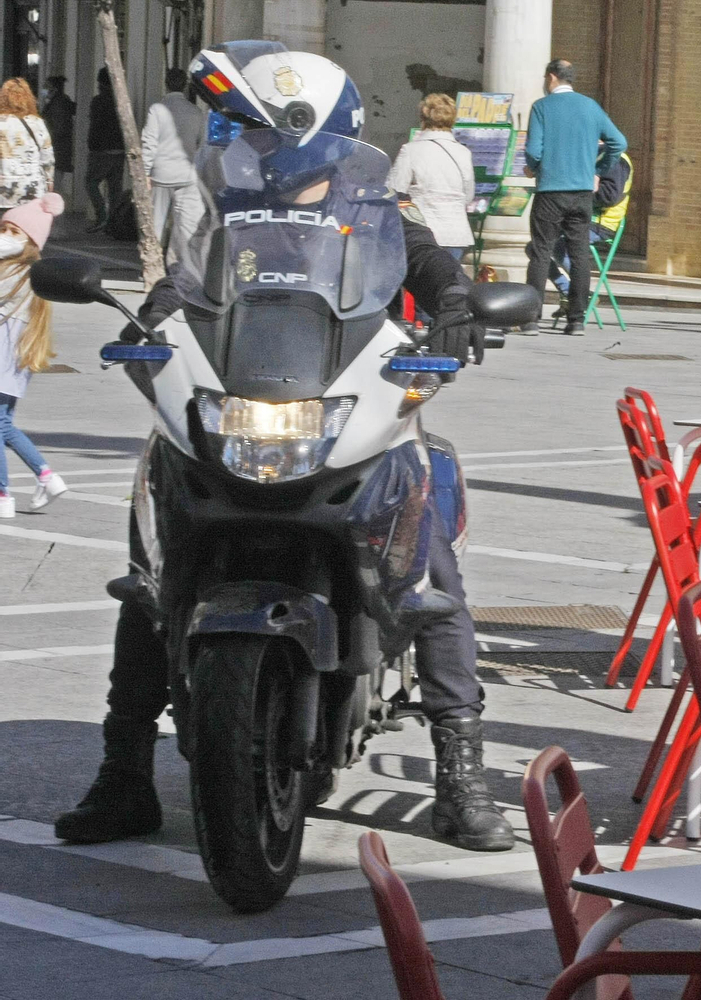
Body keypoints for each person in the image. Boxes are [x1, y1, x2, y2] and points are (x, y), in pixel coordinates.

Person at [53, 41, 509, 852]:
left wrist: (460, 308)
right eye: (248, 138)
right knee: (148, 573)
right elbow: (180, 291)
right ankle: (122, 772)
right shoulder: (225, 218)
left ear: (321, 135)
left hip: (348, 411)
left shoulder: (379, 219)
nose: (264, 156)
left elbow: (435, 269)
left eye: (268, 137)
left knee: (431, 569)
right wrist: (150, 325)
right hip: (237, 411)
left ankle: (460, 771)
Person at [521, 59, 626, 336]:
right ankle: (576, 320)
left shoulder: (542, 107)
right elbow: (619, 142)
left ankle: (531, 319)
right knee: (579, 255)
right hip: (581, 193)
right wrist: (598, 170)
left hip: (550, 192)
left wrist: (533, 168)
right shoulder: (590, 106)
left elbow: (533, 150)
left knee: (541, 252)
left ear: (552, 77)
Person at [0, 192, 69, 518]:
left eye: (14, 232)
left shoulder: (15, 273)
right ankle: (46, 476)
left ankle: (3, 495)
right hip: (13, 360)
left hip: (4, 356)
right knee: (3, 425)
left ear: (30, 240)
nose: (5, 237)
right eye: (3, 229)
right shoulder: (26, 272)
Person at [547, 144, 631, 324]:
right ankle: (572, 291)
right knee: (537, 247)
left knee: (556, 245)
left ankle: (579, 293)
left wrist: (577, 194)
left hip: (599, 224)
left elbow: (609, 197)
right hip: (578, 220)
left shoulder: (615, 159)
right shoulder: (589, 155)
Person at [388, 93, 475, 261]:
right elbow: (468, 195)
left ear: (423, 118)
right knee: (448, 283)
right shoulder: (463, 152)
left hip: (423, 233)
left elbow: (395, 190)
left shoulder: (411, 150)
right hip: (456, 234)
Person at [140, 68, 203, 262]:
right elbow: (201, 144)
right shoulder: (196, 111)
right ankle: (179, 265)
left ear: (166, 83)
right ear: (184, 85)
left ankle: (151, 266)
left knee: (155, 225)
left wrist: (145, 171)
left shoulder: (157, 109)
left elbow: (148, 142)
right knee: (186, 226)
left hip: (161, 175)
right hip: (187, 175)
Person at [0, 77, 54, 209]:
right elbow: (47, 157)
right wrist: (49, 181)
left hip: (4, 191)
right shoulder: (37, 123)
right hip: (32, 189)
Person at [85, 68, 125, 232]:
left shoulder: (98, 101)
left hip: (101, 150)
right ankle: (114, 222)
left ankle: (101, 216)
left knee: (91, 182)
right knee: (115, 188)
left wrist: (92, 144)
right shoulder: (121, 101)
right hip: (119, 149)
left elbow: (95, 125)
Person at [39, 75, 74, 183]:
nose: (44, 89)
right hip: (58, 146)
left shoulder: (58, 103)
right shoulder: (59, 101)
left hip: (56, 147)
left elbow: (57, 127)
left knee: (55, 178)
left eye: (47, 87)